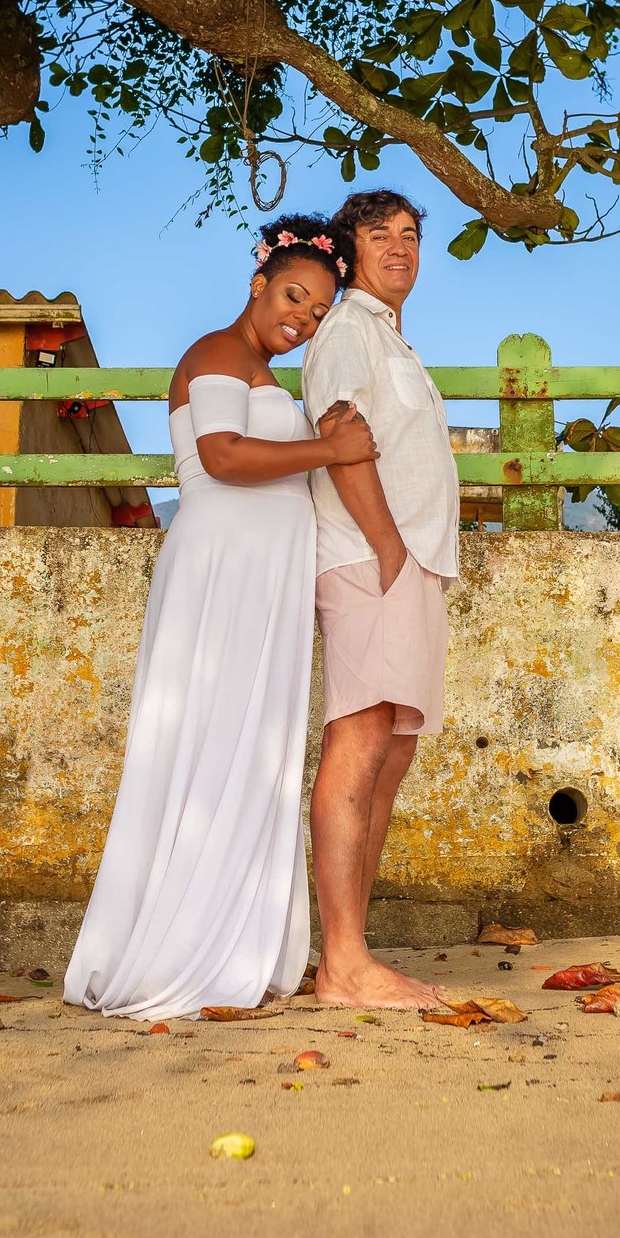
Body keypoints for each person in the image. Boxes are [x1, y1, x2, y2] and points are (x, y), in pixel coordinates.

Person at [64, 214, 377, 1020]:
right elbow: (223, 457)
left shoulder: (273, 377)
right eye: (293, 298)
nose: (300, 320)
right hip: (220, 570)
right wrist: (330, 450)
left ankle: (237, 939)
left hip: (267, 580)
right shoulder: (216, 352)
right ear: (259, 284)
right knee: (206, 744)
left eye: (316, 314)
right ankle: (175, 946)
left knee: (255, 750)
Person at [301, 191, 460, 1010]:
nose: (399, 247)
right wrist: (391, 548)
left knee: (390, 759)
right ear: (350, 250)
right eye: (379, 235)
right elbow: (339, 436)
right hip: (372, 558)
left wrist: (416, 557)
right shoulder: (348, 331)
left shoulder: (395, 339)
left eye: (410, 235)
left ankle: (350, 954)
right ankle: (342, 964)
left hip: (411, 563)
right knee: (358, 746)